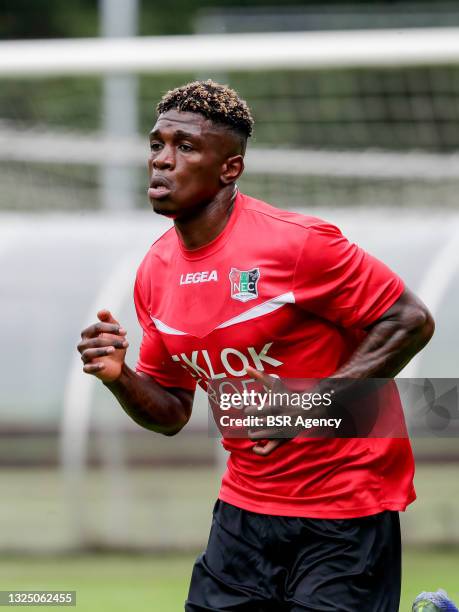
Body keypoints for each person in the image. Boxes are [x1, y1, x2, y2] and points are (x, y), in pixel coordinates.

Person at [77, 80, 434, 611]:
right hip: (244, 510)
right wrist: (120, 376)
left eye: (186, 146)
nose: (162, 161)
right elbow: (172, 411)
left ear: (231, 169)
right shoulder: (155, 271)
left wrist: (307, 406)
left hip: (346, 507)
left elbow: (410, 320)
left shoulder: (298, 243)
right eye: (157, 144)